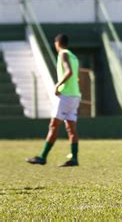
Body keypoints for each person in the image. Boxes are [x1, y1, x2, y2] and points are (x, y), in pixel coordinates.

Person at [26, 34, 81, 167]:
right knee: (71, 128)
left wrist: (57, 85)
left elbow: (69, 72)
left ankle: (43, 157)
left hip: (66, 95)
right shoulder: (74, 56)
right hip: (75, 95)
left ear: (57, 43)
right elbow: (76, 77)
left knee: (54, 125)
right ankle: (74, 158)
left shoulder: (63, 54)